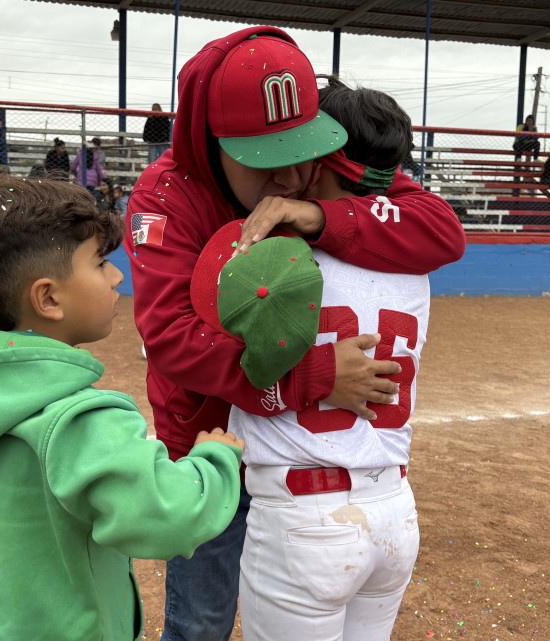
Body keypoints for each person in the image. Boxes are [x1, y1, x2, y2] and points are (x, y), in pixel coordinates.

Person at [126, 26, 465, 641]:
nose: (289, 174)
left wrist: (319, 214)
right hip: (211, 442)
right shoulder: (167, 195)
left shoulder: (317, 168)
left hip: (302, 467)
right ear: (211, 144)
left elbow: (440, 228)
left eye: (301, 147)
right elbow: (171, 338)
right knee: (202, 619)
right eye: (264, 159)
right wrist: (312, 376)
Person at [0, 176, 245, 641]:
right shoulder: (82, 418)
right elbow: (171, 516)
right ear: (49, 298)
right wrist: (214, 460)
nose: (118, 276)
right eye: (100, 263)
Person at [211, 79, 426, 641]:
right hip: (394, 509)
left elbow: (216, 363)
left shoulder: (273, 253)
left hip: (305, 518)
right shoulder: (414, 256)